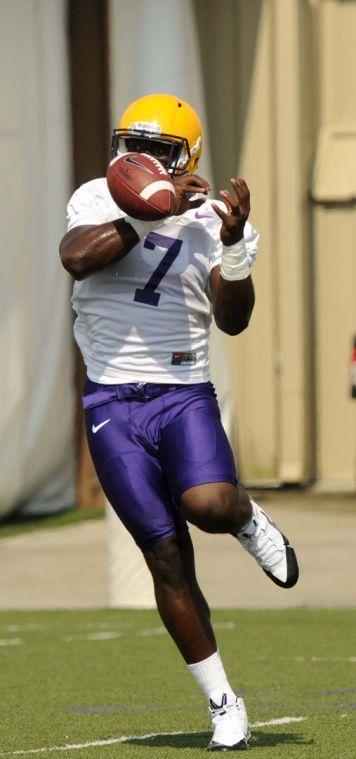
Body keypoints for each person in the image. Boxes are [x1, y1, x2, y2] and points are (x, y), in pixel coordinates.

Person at [60, 93, 299, 751]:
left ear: (186, 157)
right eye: (129, 144)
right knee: (165, 555)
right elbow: (78, 257)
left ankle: (247, 518)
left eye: (155, 150)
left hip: (181, 392)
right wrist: (150, 213)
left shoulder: (216, 220)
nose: (136, 159)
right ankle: (224, 700)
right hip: (111, 401)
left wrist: (231, 243)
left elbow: (233, 319)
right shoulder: (95, 198)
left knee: (210, 502)